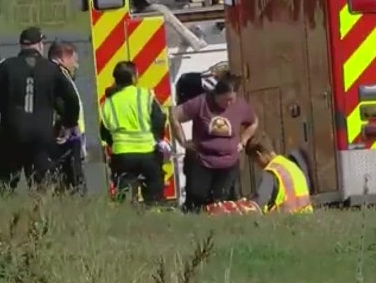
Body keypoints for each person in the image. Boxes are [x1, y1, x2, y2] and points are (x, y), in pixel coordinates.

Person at [0, 27, 81, 193]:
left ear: (21, 45)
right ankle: (40, 217)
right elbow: (71, 99)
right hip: (41, 137)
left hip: (11, 135)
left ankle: (0, 215)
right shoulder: (52, 69)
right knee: (43, 187)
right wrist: (68, 124)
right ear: (40, 45)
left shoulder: (6, 67)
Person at [169, 74, 258, 212]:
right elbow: (175, 115)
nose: (229, 104)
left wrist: (243, 140)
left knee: (221, 199)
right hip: (203, 161)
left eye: (232, 100)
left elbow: (253, 121)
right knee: (197, 197)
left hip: (228, 164)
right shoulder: (202, 102)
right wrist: (183, 142)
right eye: (226, 100)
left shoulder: (240, 105)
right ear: (217, 95)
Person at [98, 61, 166, 204]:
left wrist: (115, 143)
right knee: (154, 197)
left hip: (123, 156)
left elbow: (104, 132)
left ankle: (128, 221)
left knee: (125, 198)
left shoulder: (109, 103)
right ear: (134, 77)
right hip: (148, 153)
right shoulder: (145, 95)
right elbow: (159, 120)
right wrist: (156, 138)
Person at [47, 41, 85, 195]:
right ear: (64, 58)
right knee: (72, 184)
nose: (76, 65)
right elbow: (63, 102)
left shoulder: (60, 74)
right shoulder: (58, 75)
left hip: (69, 136)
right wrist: (67, 126)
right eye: (74, 60)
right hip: (66, 138)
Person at [245, 136, 314, 214]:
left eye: (255, 161)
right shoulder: (292, 166)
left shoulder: (271, 171)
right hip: (307, 217)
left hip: (286, 220)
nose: (257, 165)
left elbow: (260, 201)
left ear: (259, 154)